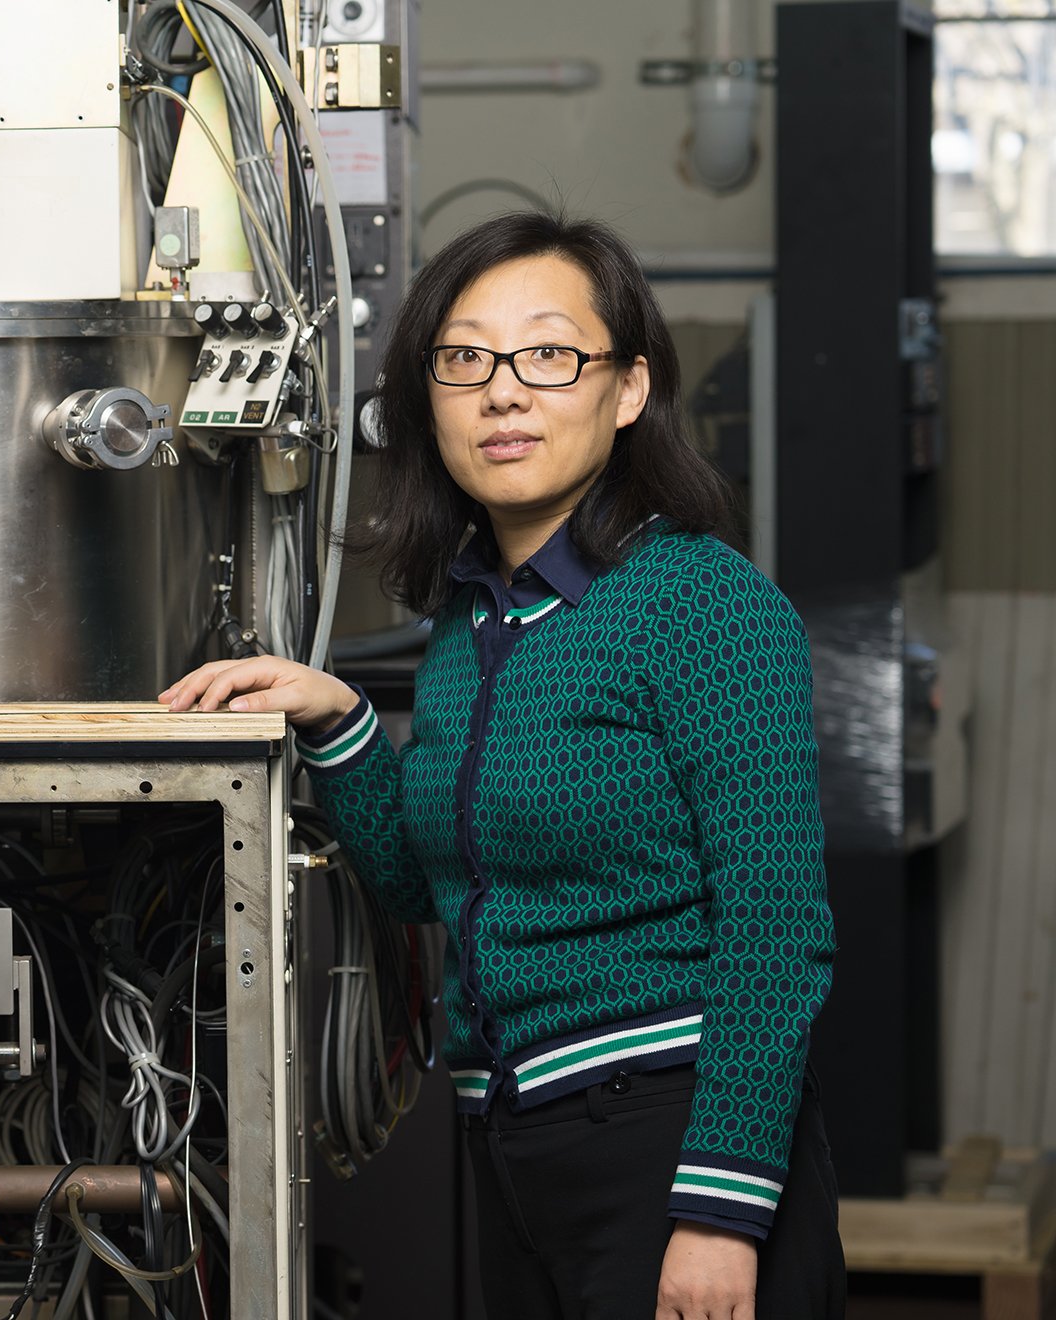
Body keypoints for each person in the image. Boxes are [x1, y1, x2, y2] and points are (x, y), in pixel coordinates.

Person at [161, 211, 845, 1319]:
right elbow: (418, 887)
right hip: (512, 1137)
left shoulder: (704, 604)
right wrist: (335, 719)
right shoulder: (471, 626)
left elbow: (776, 936)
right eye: (464, 358)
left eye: (548, 354)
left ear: (627, 391)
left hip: (668, 1139)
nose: (503, 392)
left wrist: (719, 1214)